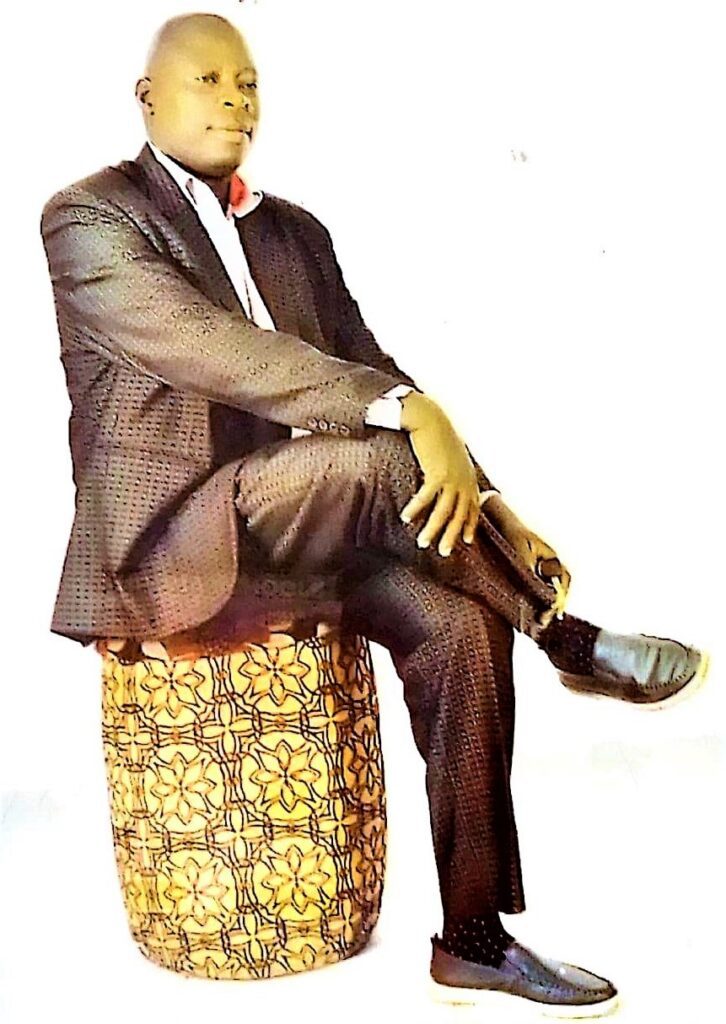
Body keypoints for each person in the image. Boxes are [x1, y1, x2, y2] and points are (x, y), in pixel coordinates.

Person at [39, 12, 709, 1016]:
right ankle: (569, 639)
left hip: (310, 536)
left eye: (248, 84)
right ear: (147, 99)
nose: (235, 101)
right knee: (387, 450)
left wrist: (490, 498)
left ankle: (474, 939)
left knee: (462, 626)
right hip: (180, 538)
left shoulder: (293, 232)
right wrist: (410, 415)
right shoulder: (90, 218)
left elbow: (369, 364)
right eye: (209, 81)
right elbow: (214, 348)